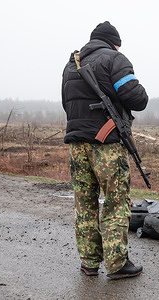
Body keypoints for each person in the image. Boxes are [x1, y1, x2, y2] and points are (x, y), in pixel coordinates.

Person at [61, 21, 148, 280]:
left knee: (85, 202)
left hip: (77, 144)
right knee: (116, 201)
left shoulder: (70, 65)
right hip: (106, 144)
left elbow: (67, 103)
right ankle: (117, 263)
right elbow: (137, 98)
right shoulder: (114, 58)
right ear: (114, 42)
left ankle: (89, 262)